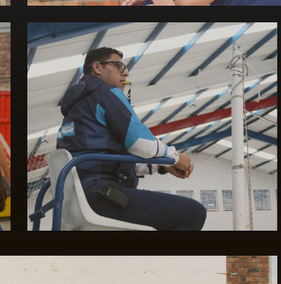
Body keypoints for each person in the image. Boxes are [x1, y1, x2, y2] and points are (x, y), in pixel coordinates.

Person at [54, 47, 206, 228]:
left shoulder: (75, 108)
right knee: (194, 213)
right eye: (118, 65)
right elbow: (140, 142)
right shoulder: (104, 93)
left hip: (74, 200)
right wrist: (174, 158)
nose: (125, 72)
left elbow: (108, 157)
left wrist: (162, 166)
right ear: (97, 67)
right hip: (101, 194)